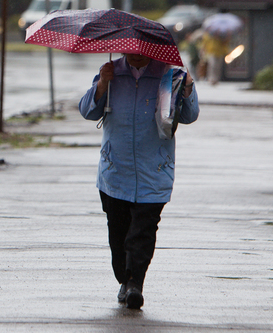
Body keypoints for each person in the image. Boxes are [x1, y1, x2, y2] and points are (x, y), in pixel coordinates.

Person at [78, 54, 199, 309]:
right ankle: (125, 277)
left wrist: (187, 89)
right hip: (116, 171)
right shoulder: (111, 71)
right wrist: (101, 85)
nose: (134, 51)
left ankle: (135, 283)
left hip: (153, 169)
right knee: (118, 232)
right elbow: (88, 111)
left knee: (143, 231)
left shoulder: (169, 74)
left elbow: (189, 115)